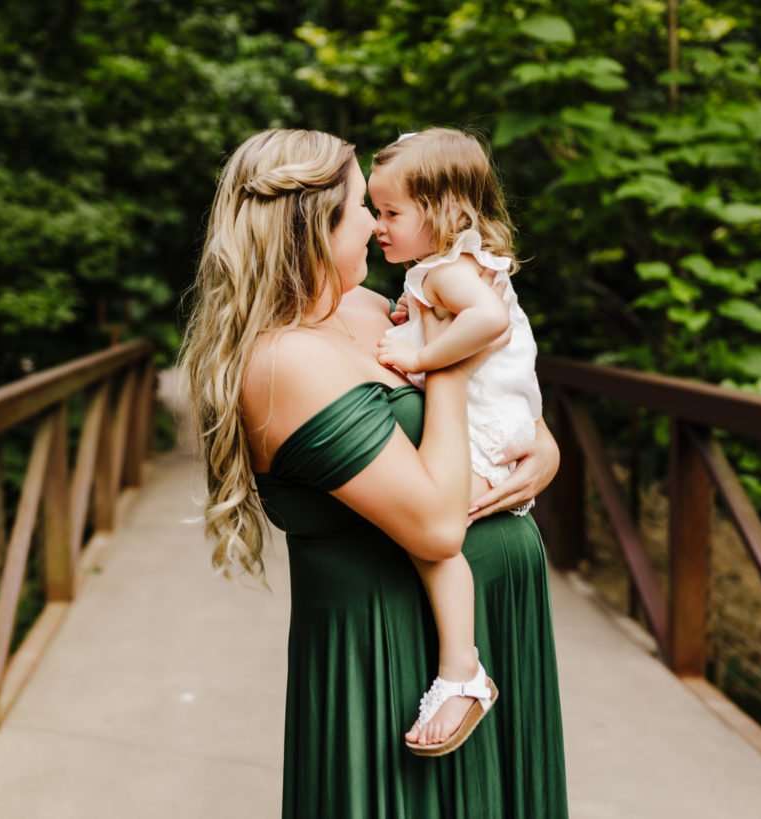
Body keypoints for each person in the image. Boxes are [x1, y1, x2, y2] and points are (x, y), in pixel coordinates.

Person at [178, 128, 569, 818]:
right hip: (391, 652)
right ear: (310, 227)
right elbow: (439, 524)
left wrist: (543, 446)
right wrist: (440, 367)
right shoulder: (284, 363)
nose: (375, 222)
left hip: (499, 619)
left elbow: (483, 398)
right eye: (364, 206)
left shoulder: (361, 308)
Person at [369, 128, 543, 755]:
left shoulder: (443, 274)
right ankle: (460, 667)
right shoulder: (448, 268)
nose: (378, 226)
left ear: (442, 211)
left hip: (484, 429)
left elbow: (489, 324)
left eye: (391, 213)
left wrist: (425, 355)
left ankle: (461, 670)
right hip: (500, 424)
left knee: (431, 535)